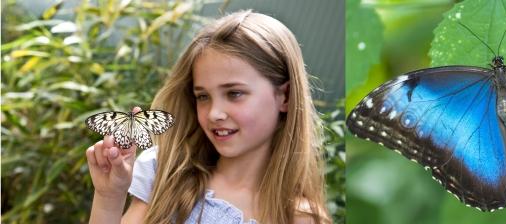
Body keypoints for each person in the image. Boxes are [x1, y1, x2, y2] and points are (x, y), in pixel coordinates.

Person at [85, 10, 330, 223]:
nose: (214, 113)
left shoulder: (300, 217)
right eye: (203, 96)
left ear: (284, 97)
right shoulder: (166, 173)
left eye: (234, 93)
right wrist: (109, 197)